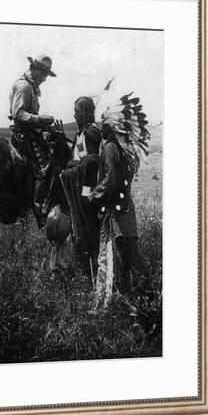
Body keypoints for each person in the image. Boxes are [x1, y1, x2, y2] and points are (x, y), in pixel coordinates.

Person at [86, 94, 149, 306]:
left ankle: (148, 299)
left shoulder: (110, 148)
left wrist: (93, 196)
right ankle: (130, 301)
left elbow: (110, 180)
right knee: (124, 256)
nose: (101, 128)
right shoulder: (120, 149)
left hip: (118, 211)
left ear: (111, 128)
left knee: (130, 255)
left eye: (104, 125)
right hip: (122, 208)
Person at [9, 55, 57, 227]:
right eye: (43, 74)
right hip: (25, 135)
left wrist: (44, 126)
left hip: (30, 132)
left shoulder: (30, 86)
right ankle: (39, 212)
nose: (44, 79)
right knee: (44, 169)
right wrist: (39, 119)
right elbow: (18, 114)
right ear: (34, 70)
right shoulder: (24, 86)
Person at [59, 97, 102, 280]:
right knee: (79, 231)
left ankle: (92, 274)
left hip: (86, 191)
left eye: (77, 112)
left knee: (88, 231)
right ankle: (85, 272)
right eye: (74, 112)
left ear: (87, 113)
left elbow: (92, 163)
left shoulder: (92, 133)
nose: (74, 115)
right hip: (78, 189)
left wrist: (74, 167)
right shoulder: (81, 132)